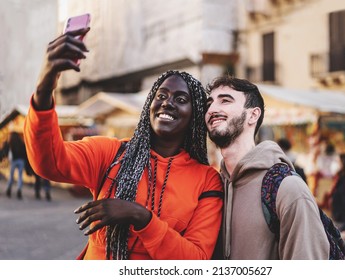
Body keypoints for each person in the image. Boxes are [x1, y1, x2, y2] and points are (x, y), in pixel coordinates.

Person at [24, 27, 223, 260]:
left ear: (195, 116)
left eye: (180, 100)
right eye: (161, 95)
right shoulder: (111, 153)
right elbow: (49, 162)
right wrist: (44, 86)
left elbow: (196, 261)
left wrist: (140, 217)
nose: (167, 103)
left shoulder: (207, 180)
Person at [205, 76, 329, 259]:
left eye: (225, 100)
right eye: (210, 103)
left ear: (253, 115)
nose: (212, 109)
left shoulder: (287, 188)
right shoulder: (214, 186)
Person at [3, 131, 27, 199]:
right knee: (20, 176)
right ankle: (19, 189)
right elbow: (25, 152)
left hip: (13, 160)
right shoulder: (21, 142)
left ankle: (9, 189)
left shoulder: (10, 142)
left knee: (11, 176)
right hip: (21, 161)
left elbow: (5, 150)